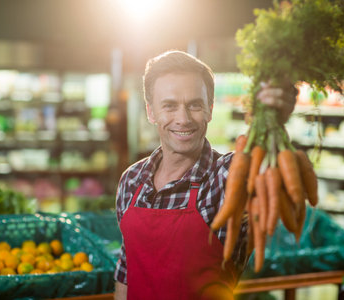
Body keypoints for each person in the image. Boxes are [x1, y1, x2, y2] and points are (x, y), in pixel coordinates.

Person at [114, 50, 296, 300]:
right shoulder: (130, 181)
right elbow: (126, 271)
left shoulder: (223, 179)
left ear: (210, 110)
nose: (183, 119)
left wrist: (272, 116)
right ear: (151, 112)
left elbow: (264, 168)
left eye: (194, 105)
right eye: (169, 106)